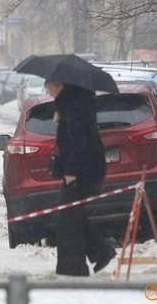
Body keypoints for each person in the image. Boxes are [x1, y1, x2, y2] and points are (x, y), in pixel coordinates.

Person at [45, 80, 116, 276]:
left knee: (68, 218)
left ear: (59, 86)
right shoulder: (71, 105)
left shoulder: (75, 107)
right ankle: (100, 252)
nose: (50, 94)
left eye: (50, 89)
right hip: (84, 168)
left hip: (83, 170)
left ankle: (75, 267)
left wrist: (71, 171)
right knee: (72, 215)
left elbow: (79, 142)